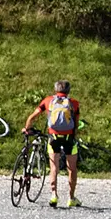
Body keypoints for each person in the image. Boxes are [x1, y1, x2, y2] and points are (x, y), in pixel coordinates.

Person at [23, 78, 83, 209]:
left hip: (53, 137)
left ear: (55, 89)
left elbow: (32, 116)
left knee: (54, 167)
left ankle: (54, 195)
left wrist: (27, 128)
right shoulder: (74, 103)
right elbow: (76, 122)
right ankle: (71, 198)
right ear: (68, 90)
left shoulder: (48, 101)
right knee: (72, 169)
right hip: (69, 138)